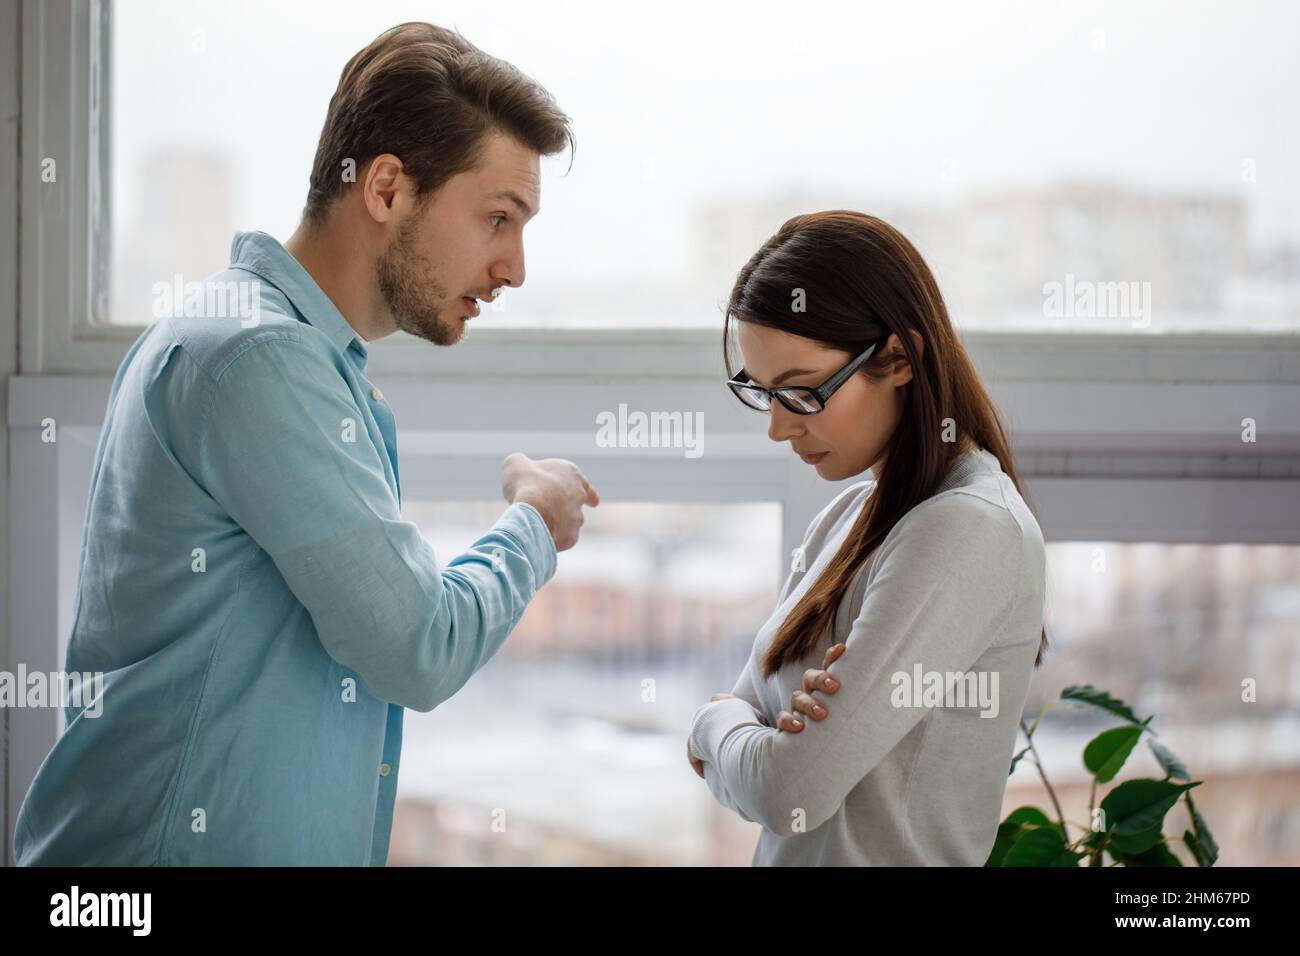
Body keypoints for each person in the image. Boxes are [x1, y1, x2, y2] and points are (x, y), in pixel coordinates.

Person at [15, 22, 597, 866]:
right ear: (388, 188)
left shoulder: (271, 345)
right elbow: (417, 647)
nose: (513, 267)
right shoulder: (264, 360)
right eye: (497, 219)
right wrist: (536, 520)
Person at [687, 211, 1049, 866]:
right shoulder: (849, 517)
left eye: (800, 392)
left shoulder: (967, 528)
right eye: (760, 392)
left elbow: (787, 791)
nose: (777, 429)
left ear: (900, 358)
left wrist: (713, 724)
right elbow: (764, 735)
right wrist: (753, 732)